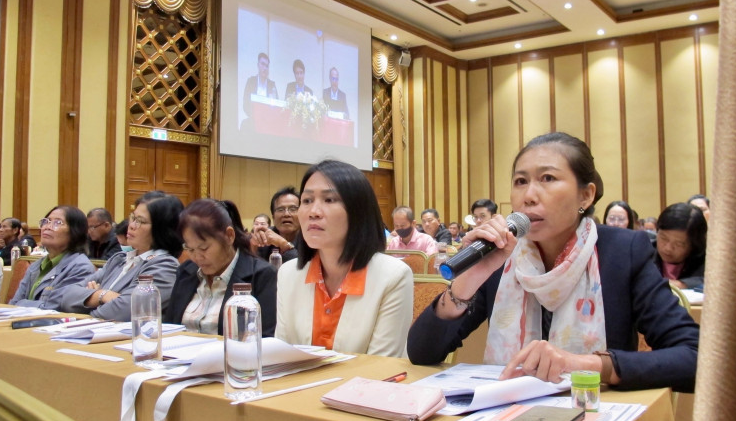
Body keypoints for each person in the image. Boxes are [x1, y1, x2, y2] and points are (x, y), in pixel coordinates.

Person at [407, 132, 699, 393]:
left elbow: (694, 357)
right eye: (520, 182)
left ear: (586, 195)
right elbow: (422, 353)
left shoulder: (622, 251)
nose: (529, 196)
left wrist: (585, 365)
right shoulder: (502, 256)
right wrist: (470, 279)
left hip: (594, 415)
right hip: (505, 414)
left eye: (547, 178)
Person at [275, 160, 413, 357]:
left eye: (329, 200)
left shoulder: (393, 276)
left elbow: (380, 366)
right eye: (306, 201)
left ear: (358, 211)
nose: (313, 212)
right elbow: (282, 357)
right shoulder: (288, 274)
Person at [60, 192, 183, 321]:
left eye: (140, 221)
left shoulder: (165, 266)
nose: (131, 225)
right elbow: (67, 296)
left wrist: (87, 301)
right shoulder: (119, 259)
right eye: (132, 218)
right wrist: (102, 295)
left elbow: (121, 312)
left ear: (162, 229)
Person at [165, 199, 278, 336]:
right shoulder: (186, 272)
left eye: (204, 248)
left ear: (229, 236)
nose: (197, 257)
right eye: (190, 249)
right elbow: (169, 327)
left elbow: (265, 337)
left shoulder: (261, 275)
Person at [9, 207, 94, 309]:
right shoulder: (36, 265)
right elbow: (13, 303)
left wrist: (22, 303)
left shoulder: (80, 268)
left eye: (57, 222)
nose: (47, 227)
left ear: (75, 232)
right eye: (46, 222)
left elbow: (54, 308)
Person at [654, 202, 708, 290]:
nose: (668, 248)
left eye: (678, 244)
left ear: (694, 244)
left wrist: (684, 284)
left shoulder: (709, 259)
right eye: (664, 238)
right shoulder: (643, 251)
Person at [252, 187, 300, 263]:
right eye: (280, 209)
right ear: (273, 217)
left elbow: (306, 267)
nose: (286, 214)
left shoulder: (310, 238)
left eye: (293, 209)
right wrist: (253, 248)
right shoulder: (265, 237)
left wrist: (284, 244)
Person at [243, 52, 278, 118]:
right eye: (262, 64)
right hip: (253, 119)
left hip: (268, 120)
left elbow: (276, 106)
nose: (264, 68)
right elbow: (245, 104)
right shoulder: (251, 82)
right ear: (258, 65)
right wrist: (254, 117)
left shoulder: (272, 85)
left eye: (267, 66)